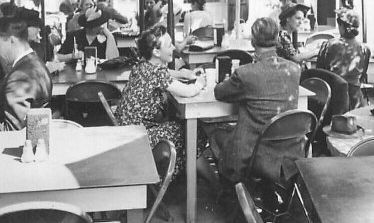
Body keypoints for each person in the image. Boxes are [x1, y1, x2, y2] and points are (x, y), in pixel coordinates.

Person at [114, 26, 215, 182]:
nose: (174, 47)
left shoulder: (142, 65)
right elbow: (188, 91)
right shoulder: (156, 73)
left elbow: (163, 73)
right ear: (156, 52)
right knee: (189, 132)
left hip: (125, 133)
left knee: (188, 132)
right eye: (169, 45)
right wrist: (200, 83)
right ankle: (211, 183)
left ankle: (197, 175)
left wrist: (183, 73)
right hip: (138, 139)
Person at [210, 17, 302, 185]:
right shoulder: (295, 70)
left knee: (216, 135)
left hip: (254, 152)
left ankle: (232, 190)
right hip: (289, 152)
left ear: (253, 41)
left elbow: (219, 93)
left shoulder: (245, 74)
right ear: (277, 39)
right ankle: (264, 190)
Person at [316, 8, 370, 109]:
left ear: (341, 26)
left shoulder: (328, 45)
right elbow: (362, 75)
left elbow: (320, 72)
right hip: (356, 99)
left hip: (334, 98)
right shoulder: (364, 49)